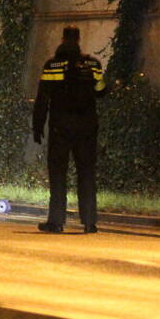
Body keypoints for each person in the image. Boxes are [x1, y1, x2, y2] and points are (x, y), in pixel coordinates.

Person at [32, 27, 106, 234]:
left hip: (60, 128)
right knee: (87, 173)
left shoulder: (52, 66)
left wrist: (38, 125)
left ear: (63, 39)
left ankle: (56, 222)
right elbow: (101, 91)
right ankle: (89, 222)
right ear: (79, 39)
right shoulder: (93, 64)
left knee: (58, 174)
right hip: (87, 128)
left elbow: (42, 98)